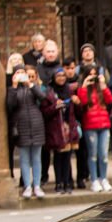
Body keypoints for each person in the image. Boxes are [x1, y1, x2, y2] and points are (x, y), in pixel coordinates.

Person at [7, 65, 47, 199]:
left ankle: (37, 185)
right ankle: (27, 186)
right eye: (17, 73)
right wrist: (13, 86)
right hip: (21, 126)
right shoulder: (13, 89)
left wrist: (30, 84)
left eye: (22, 72)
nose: (20, 75)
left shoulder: (32, 86)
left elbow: (42, 97)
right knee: (24, 158)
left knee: (36, 157)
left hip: (36, 124)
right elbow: (10, 105)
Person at [42, 66, 80, 194]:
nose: (61, 78)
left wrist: (77, 102)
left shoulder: (69, 90)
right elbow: (45, 112)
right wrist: (55, 106)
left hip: (69, 127)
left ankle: (68, 182)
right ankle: (59, 183)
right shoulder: (50, 92)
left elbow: (78, 112)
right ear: (53, 78)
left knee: (67, 157)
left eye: (63, 76)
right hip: (56, 128)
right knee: (58, 157)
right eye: (58, 76)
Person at [78, 66, 112, 191]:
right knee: (92, 155)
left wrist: (103, 85)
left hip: (104, 125)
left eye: (95, 74)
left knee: (103, 155)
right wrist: (84, 85)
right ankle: (94, 180)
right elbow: (82, 102)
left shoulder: (101, 88)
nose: (93, 77)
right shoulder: (84, 89)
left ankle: (103, 178)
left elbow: (110, 100)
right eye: (90, 74)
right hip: (90, 126)